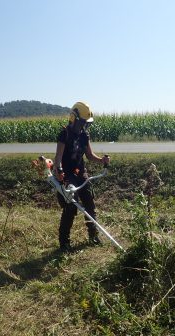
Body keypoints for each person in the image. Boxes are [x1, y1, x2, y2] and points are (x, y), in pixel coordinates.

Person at [53, 101, 110, 252]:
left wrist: (101, 160)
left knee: (90, 204)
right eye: (84, 122)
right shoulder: (64, 133)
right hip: (67, 174)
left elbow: (90, 156)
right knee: (70, 207)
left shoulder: (84, 135)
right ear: (74, 118)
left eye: (87, 123)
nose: (85, 126)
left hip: (80, 173)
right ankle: (64, 242)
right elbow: (58, 157)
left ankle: (93, 235)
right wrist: (58, 170)